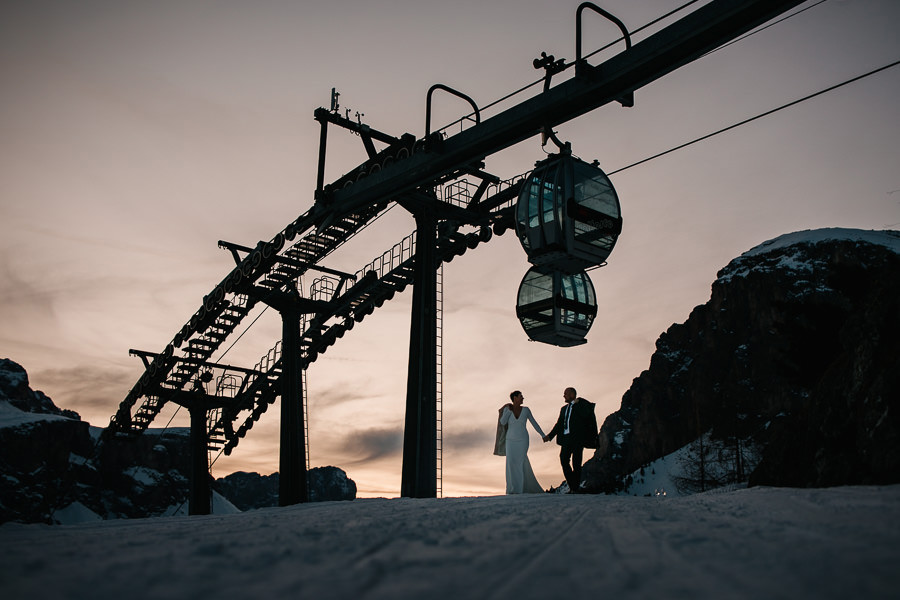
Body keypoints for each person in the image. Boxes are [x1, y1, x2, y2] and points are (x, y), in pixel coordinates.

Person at [543, 387, 598, 493]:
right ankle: (574, 485)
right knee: (563, 459)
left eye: (566, 394)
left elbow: (587, 412)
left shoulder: (580, 405)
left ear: (572, 394)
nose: (564, 396)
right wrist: (550, 436)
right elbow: (559, 424)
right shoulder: (563, 409)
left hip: (578, 438)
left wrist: (578, 402)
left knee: (576, 463)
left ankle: (574, 488)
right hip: (566, 439)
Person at [495, 390, 547, 494]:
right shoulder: (507, 409)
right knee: (511, 463)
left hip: (523, 440)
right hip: (510, 441)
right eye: (520, 396)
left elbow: (534, 423)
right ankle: (512, 489)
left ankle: (520, 489)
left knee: (520, 462)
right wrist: (509, 411)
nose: (523, 398)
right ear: (515, 398)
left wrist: (543, 435)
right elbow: (503, 422)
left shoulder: (526, 410)